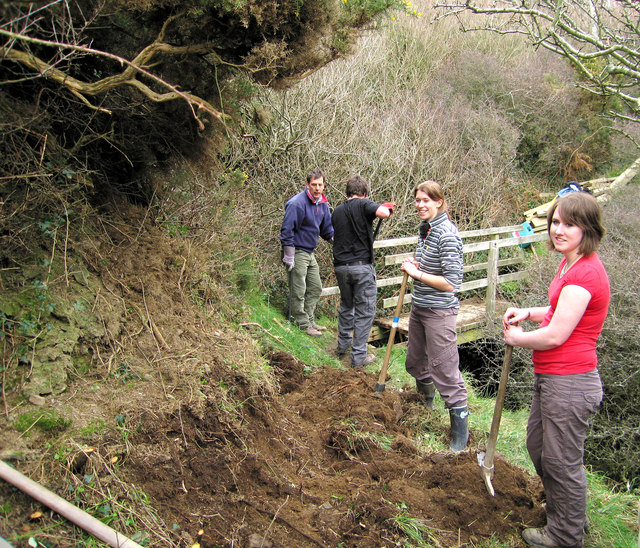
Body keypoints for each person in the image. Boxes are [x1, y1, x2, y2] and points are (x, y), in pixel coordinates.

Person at [502, 191, 609, 548]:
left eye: (570, 224)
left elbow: (557, 335)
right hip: (551, 378)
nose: (559, 230)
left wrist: (518, 338)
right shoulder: (570, 263)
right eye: (555, 222)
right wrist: (529, 314)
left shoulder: (586, 275)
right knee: (537, 447)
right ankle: (566, 509)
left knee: (562, 462)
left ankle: (565, 535)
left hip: (571, 381)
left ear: (587, 229)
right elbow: (556, 311)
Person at [400, 180, 468, 451]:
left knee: (445, 372)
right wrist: (419, 266)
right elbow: (432, 268)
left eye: (426, 200)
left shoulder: (447, 234)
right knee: (416, 362)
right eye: (417, 200)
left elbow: (452, 283)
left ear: (439, 202)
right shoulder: (426, 231)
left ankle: (460, 438)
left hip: (440, 312)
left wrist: (417, 274)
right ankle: (424, 410)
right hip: (420, 307)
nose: (420, 205)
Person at [331, 175, 394, 367]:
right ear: (364, 193)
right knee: (365, 311)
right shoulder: (364, 204)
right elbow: (383, 213)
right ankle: (359, 356)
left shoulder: (337, 212)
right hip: (361, 268)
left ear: (348, 193)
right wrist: (387, 209)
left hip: (341, 268)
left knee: (346, 306)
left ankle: (342, 346)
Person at [280, 168, 334, 337]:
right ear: (307, 184)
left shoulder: (323, 204)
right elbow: (287, 230)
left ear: (324, 185)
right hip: (297, 251)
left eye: (320, 184)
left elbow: (327, 230)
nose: (317, 188)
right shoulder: (297, 203)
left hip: (310, 251)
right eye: (314, 184)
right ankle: (301, 323)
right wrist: (289, 255)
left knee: (316, 287)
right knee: (299, 288)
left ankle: (309, 319)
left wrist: (338, 242)